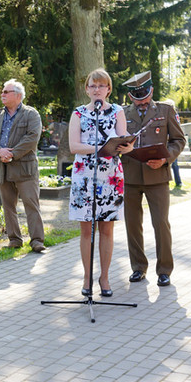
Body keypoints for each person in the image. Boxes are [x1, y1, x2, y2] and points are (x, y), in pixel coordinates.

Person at [68, 68, 133, 297]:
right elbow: (74, 146)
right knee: (86, 229)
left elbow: (122, 139)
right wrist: (101, 149)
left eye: (101, 86)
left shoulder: (117, 111)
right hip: (84, 176)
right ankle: (87, 278)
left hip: (110, 176)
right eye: (93, 86)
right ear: (87, 89)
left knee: (107, 228)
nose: (97, 90)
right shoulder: (78, 114)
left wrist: (128, 146)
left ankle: (104, 277)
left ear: (108, 89)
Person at [122, 71, 186, 287]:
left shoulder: (166, 110)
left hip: (157, 175)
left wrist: (165, 159)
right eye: (137, 97)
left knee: (160, 223)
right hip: (130, 175)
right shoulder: (121, 113)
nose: (142, 101)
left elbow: (178, 140)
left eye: (145, 95)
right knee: (132, 224)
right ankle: (138, 267)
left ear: (151, 91)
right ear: (130, 97)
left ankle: (165, 269)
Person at [0, 79, 45, 252]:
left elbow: (32, 137)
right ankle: (14, 239)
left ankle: (37, 241)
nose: (2, 94)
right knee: (8, 206)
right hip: (2, 168)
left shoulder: (31, 114)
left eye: (6, 92)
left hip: (24, 168)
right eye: (2, 91)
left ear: (18, 95)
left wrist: (12, 153)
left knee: (31, 205)